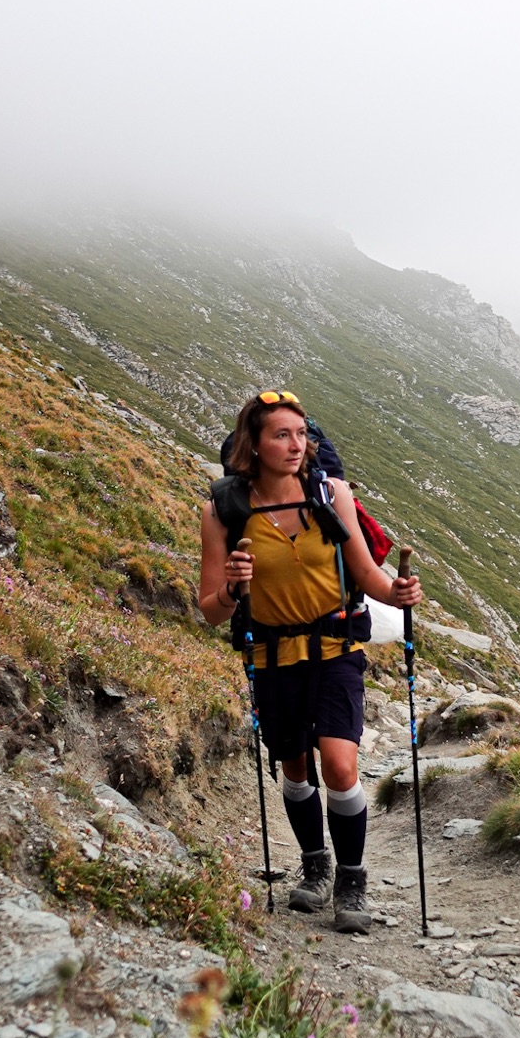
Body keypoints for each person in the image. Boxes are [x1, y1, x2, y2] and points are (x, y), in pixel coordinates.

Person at [198, 390, 423, 934]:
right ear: (253, 444)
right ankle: (314, 863)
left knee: (341, 765)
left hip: (336, 647)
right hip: (272, 655)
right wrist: (232, 589)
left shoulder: (332, 493)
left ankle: (350, 878)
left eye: (301, 435)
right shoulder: (223, 511)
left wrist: (397, 594)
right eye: (282, 435)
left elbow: (365, 574)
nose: (297, 445)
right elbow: (209, 610)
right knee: (295, 768)